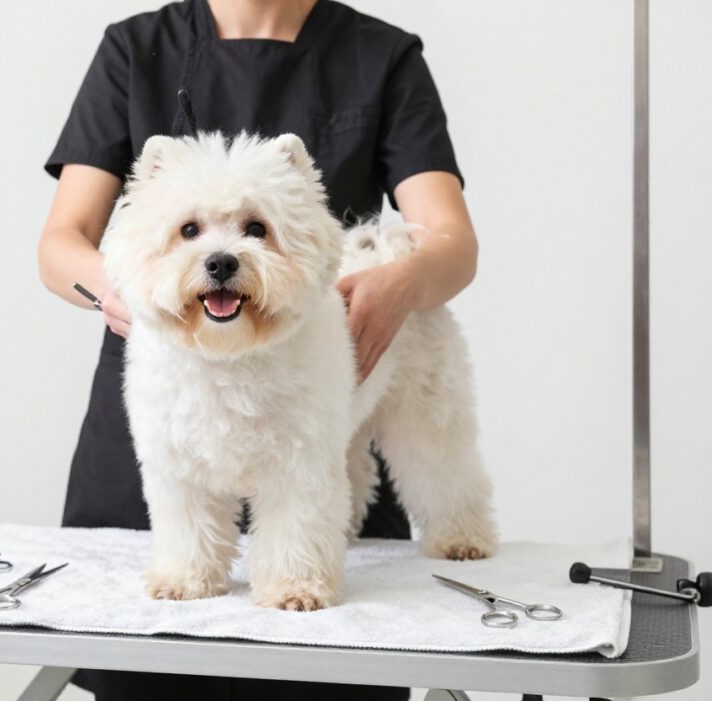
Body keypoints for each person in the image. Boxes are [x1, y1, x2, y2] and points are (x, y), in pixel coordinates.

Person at [38, 1, 477, 698]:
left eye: (249, 227)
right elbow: (60, 243)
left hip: (325, 377)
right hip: (138, 471)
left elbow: (453, 243)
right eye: (191, 232)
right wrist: (126, 292)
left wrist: (404, 280)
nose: (219, 254)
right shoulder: (135, 49)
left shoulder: (383, 56)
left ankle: (310, 557)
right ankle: (189, 557)